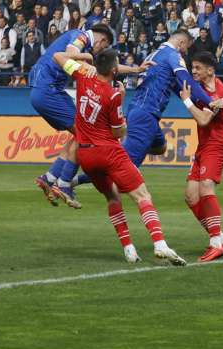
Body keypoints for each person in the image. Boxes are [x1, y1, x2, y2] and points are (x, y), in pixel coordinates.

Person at [53, 48, 185, 265]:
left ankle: (129, 249)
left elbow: (58, 57)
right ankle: (160, 243)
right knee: (142, 196)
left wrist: (82, 60)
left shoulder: (82, 75)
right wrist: (121, 100)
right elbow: (119, 132)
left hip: (85, 154)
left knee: (112, 198)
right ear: (114, 70)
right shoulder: (113, 94)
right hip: (108, 151)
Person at [30, 23, 143, 208]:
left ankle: (50, 178)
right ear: (102, 40)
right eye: (103, 46)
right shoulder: (83, 36)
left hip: (43, 89)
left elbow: (105, 68)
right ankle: (64, 184)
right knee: (85, 134)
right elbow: (70, 51)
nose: (101, 51)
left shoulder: (82, 40)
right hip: (48, 90)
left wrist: (135, 70)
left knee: (79, 132)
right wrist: (86, 58)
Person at [117, 29, 214, 170]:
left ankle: (128, 145)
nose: (185, 52)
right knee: (125, 170)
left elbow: (181, 89)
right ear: (181, 43)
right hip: (146, 113)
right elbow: (186, 80)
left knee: (160, 147)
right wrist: (209, 101)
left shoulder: (154, 55)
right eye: (186, 47)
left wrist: (199, 101)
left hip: (139, 109)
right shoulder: (172, 55)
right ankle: (77, 179)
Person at [179, 51, 223, 262]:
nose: (194, 71)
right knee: (191, 196)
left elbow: (203, 120)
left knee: (206, 187)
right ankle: (221, 237)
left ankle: (214, 243)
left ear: (210, 70)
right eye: (193, 68)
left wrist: (186, 101)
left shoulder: (217, 92)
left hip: (217, 145)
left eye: (198, 68)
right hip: (204, 146)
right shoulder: (204, 89)